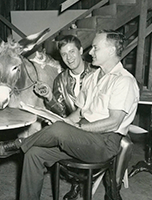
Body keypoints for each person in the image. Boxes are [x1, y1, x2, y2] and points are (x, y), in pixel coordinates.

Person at [0, 30, 140, 200]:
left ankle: (17, 144)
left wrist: (75, 127)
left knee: (59, 129)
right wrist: (63, 121)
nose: (90, 52)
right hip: (81, 139)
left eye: (95, 48)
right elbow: (79, 112)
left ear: (111, 51)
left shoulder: (123, 81)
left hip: (104, 143)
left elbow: (114, 122)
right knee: (34, 154)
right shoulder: (93, 78)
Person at [32, 35, 95, 199]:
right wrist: (49, 98)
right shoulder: (61, 79)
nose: (69, 58)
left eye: (72, 51)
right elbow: (61, 112)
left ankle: (111, 188)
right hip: (70, 128)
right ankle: (76, 182)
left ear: (81, 51)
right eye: (64, 54)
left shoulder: (97, 73)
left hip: (94, 129)